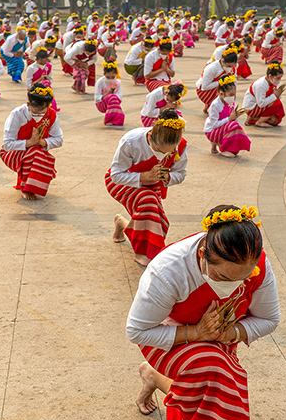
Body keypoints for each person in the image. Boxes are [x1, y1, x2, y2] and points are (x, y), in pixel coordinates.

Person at [127, 204, 280, 420]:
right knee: (212, 371)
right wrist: (196, 333)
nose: (233, 286)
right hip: (167, 336)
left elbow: (269, 319)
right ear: (202, 255)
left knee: (218, 380)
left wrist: (231, 333)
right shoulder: (168, 270)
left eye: (242, 279)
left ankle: (154, 378)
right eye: (223, 278)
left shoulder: (255, 263)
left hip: (220, 335)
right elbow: (138, 330)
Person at [107, 110, 187, 266]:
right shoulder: (132, 141)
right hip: (122, 183)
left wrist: (167, 176)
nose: (163, 155)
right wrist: (144, 176)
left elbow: (181, 174)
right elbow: (116, 175)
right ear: (150, 137)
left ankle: (122, 223)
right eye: (159, 150)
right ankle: (142, 253)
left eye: (168, 152)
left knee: (155, 221)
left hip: (153, 185)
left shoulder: (180, 145)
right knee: (149, 203)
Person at [0, 82, 63, 200]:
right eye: (36, 112)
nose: (40, 115)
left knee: (39, 154)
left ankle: (33, 185)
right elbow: (7, 145)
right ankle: (26, 188)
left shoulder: (51, 115)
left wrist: (42, 142)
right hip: (13, 153)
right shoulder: (17, 114)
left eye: (43, 112)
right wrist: (29, 143)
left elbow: (59, 139)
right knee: (35, 153)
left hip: (37, 150)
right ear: (28, 104)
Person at [205, 75, 250, 158]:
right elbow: (214, 124)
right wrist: (229, 119)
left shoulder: (230, 102)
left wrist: (235, 117)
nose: (233, 97)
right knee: (234, 125)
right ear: (221, 94)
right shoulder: (215, 105)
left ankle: (223, 145)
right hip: (212, 131)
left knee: (236, 126)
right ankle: (224, 148)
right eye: (231, 94)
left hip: (222, 129)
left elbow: (231, 120)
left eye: (234, 94)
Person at [242, 62, 285, 127]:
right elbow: (261, 103)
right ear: (270, 76)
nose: (279, 80)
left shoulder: (272, 81)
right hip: (251, 108)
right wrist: (275, 96)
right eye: (278, 78)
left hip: (260, 106)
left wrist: (276, 95)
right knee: (277, 103)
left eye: (280, 78)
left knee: (274, 120)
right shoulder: (260, 85)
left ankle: (253, 118)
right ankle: (259, 121)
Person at [196, 45, 239, 112]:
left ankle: (213, 107)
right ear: (222, 61)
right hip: (205, 91)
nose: (230, 68)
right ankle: (212, 106)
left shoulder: (233, 68)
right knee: (224, 91)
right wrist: (221, 82)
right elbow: (205, 86)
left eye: (232, 66)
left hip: (218, 88)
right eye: (228, 66)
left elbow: (234, 82)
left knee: (230, 90)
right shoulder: (212, 68)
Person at [94, 61, 124, 126]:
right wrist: (108, 93)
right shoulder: (100, 82)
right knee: (112, 97)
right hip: (101, 104)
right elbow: (97, 98)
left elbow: (120, 97)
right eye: (108, 77)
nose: (110, 79)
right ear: (104, 74)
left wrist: (112, 94)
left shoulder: (117, 82)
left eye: (113, 77)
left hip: (114, 103)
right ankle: (108, 119)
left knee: (113, 97)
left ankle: (114, 118)